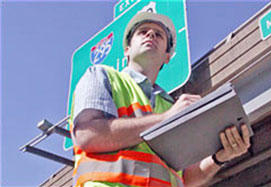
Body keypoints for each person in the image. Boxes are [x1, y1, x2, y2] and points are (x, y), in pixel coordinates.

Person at [71, 12, 251, 187]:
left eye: (158, 35)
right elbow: (87, 135)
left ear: (167, 57)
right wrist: (165, 119)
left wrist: (219, 158)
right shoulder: (101, 76)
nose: (150, 34)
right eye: (143, 32)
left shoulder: (171, 106)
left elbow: (185, 178)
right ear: (127, 50)